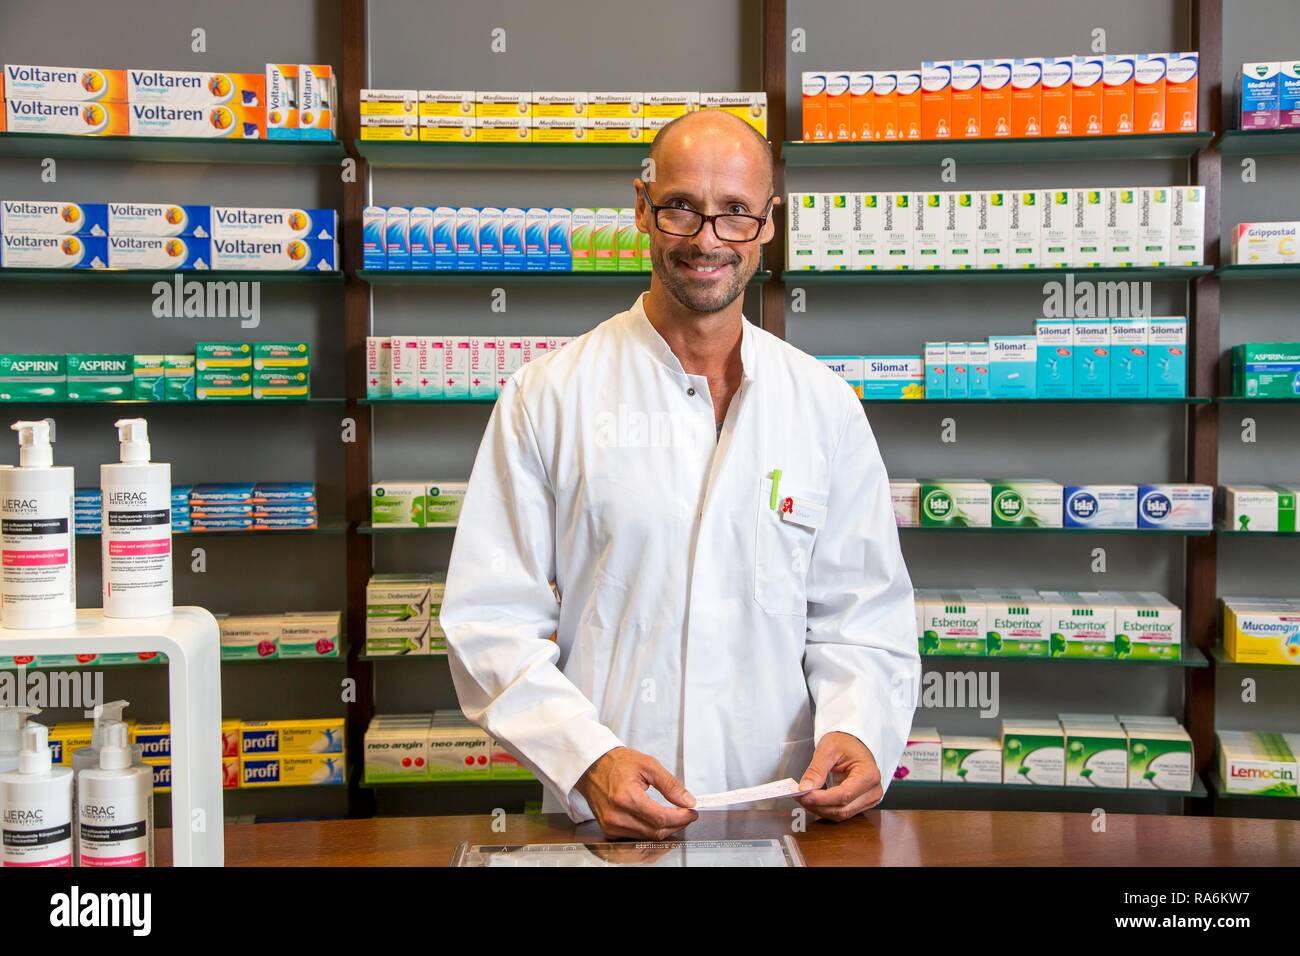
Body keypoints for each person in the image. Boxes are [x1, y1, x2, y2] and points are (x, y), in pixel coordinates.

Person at [440, 109, 917, 840]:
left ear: (767, 223)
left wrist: (861, 729)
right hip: (606, 827)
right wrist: (587, 757)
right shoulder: (549, 395)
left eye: (734, 214)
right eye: (681, 209)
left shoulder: (823, 405)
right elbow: (489, 620)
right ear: (641, 208)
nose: (707, 241)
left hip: (778, 813)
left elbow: (864, 618)